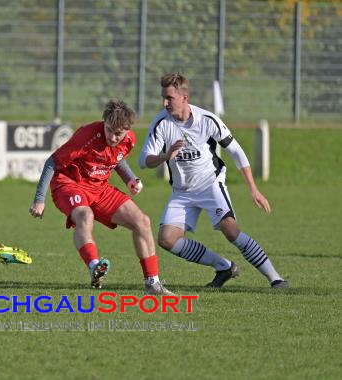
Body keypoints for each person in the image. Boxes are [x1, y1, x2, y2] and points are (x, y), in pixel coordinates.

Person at [138, 73, 289, 289]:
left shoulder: (206, 120)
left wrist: (253, 189)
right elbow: (144, 161)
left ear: (184, 97)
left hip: (210, 184)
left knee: (231, 231)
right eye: (163, 97)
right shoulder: (161, 123)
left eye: (169, 98)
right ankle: (224, 266)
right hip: (182, 191)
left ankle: (276, 278)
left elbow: (236, 151)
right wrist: (164, 156)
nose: (165, 103)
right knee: (167, 239)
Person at [29, 99, 174, 295]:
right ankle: (95, 267)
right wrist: (39, 199)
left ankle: (152, 283)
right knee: (85, 216)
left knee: (143, 222)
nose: (113, 137)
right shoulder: (87, 135)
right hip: (69, 184)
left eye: (118, 134)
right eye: (109, 130)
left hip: (99, 187)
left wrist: (130, 179)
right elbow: (52, 161)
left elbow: (117, 160)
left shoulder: (129, 139)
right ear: (104, 122)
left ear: (127, 130)